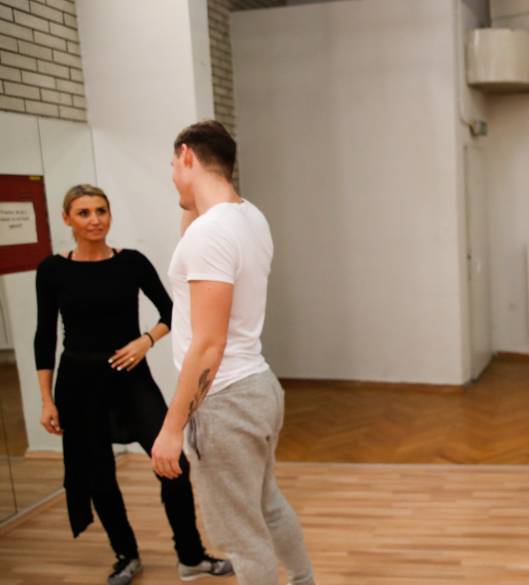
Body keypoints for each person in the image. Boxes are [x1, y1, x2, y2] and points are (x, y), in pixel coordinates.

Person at [33, 184, 233, 585]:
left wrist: (146, 341)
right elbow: (45, 336)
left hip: (130, 379)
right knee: (99, 475)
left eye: (101, 211)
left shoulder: (131, 262)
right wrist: (46, 399)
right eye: (84, 212)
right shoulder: (52, 270)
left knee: (172, 464)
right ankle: (126, 555)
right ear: (67, 219)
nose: (95, 220)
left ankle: (191, 556)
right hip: (78, 383)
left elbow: (171, 310)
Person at [150, 120, 317, 585]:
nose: (171, 177)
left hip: (223, 402)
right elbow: (194, 250)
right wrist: (191, 200)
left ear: (187, 156)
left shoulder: (210, 234)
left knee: (242, 537)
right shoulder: (248, 216)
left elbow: (209, 344)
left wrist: (172, 427)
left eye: (173, 165)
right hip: (258, 388)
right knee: (267, 505)